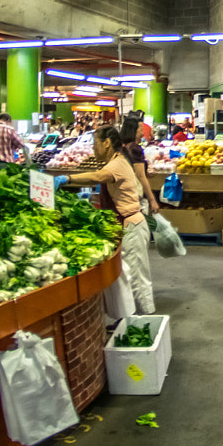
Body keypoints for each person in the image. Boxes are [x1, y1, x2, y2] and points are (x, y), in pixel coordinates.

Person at [69, 125, 154, 313]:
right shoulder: (116, 160)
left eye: (95, 143)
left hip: (132, 226)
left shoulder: (117, 163)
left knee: (137, 277)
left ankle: (145, 322)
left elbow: (98, 177)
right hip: (126, 226)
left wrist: (67, 179)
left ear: (107, 143)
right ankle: (130, 321)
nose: (93, 148)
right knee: (127, 275)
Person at [120, 112, 160, 217]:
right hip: (135, 196)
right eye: (141, 130)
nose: (143, 133)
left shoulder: (122, 146)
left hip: (123, 193)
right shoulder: (135, 148)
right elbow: (140, 176)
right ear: (133, 131)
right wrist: (152, 200)